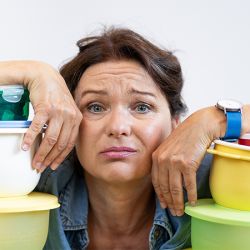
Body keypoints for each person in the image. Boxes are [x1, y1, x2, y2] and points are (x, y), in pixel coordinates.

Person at [1, 27, 250, 249]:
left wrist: (216, 120)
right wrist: (34, 71)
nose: (118, 127)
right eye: (95, 107)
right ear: (71, 121)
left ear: (176, 124)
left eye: (141, 107)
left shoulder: (214, 180)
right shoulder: (29, 179)